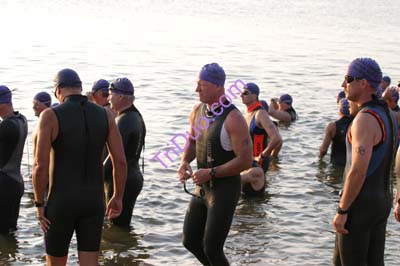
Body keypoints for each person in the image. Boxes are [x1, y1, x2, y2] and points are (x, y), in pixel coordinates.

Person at [32, 68, 127, 265]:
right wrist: (117, 197)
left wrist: (39, 205)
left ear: (57, 90)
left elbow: (40, 166)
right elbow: (120, 162)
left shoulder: (50, 115)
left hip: (61, 202)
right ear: (80, 88)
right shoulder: (106, 115)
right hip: (94, 202)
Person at [177, 63, 252, 265]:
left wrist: (211, 172)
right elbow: (193, 141)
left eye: (203, 85)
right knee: (190, 241)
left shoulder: (233, 118)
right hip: (202, 187)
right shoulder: (198, 111)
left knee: (212, 247)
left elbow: (245, 160)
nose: (197, 89)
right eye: (197, 84)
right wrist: (185, 161)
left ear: (219, 87)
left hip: (224, 189)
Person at [332, 58, 398, 265]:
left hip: (360, 206)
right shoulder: (387, 114)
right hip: (381, 201)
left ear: (363, 83)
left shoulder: (365, 119)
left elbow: (358, 170)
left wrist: (343, 210)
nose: (343, 84)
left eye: (347, 79)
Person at [104, 77, 146, 227]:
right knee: (120, 227)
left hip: (122, 181)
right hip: (132, 177)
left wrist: (90, 179)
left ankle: (120, 249)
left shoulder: (124, 120)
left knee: (114, 228)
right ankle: (126, 249)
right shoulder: (135, 116)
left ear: (120, 96)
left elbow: (113, 160)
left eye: (110, 94)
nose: (108, 99)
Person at [240, 82, 282, 197]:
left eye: (245, 93)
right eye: (241, 92)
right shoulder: (248, 113)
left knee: (252, 196)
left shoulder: (260, 114)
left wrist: (263, 155)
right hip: (247, 161)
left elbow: (276, 138)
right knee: (245, 197)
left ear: (254, 96)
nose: (241, 95)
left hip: (258, 162)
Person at [0, 85, 28, 234]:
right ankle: (11, 255)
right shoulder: (22, 120)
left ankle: (6, 257)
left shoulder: (6, 126)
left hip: (4, 184)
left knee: (2, 233)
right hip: (16, 182)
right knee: (10, 231)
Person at [319, 98, 351, 166]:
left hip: (336, 164)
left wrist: (320, 160)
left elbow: (323, 150)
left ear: (340, 110)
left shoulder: (332, 126)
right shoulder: (357, 124)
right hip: (351, 165)